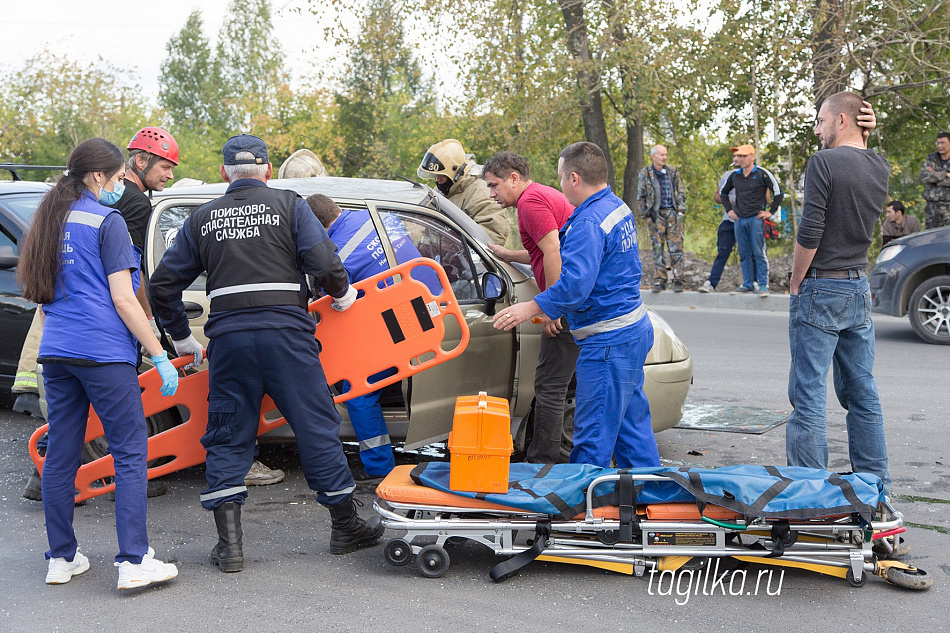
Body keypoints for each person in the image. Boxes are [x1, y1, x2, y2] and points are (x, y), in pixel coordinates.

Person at [149, 134, 383, 573]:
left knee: (228, 433)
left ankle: (230, 547)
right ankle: (345, 527)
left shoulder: (202, 218)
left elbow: (162, 286)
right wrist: (344, 295)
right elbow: (325, 264)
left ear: (224, 174)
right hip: (288, 338)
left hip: (229, 343)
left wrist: (182, 340)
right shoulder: (291, 206)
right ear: (268, 171)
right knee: (316, 426)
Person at [16, 137, 179, 590]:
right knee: (129, 451)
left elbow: (45, 297)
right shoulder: (107, 222)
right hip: (104, 353)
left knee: (62, 454)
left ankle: (61, 558)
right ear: (97, 177)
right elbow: (125, 300)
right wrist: (161, 356)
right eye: (117, 177)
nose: (120, 184)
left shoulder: (50, 219)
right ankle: (133, 560)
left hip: (57, 352)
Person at [492, 142, 659, 469]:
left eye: (559, 177)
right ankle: (647, 499)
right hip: (633, 332)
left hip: (607, 343)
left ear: (573, 178)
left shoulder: (588, 223)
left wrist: (532, 308)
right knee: (630, 430)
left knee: (592, 438)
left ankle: (587, 512)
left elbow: (575, 286)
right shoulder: (615, 207)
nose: (558, 184)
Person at [786, 91, 891, 491]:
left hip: (821, 286)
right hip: (857, 285)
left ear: (842, 121)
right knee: (862, 391)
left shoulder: (823, 162)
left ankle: (810, 495)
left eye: (821, 121)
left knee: (809, 395)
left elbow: (810, 230)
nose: (817, 130)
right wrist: (869, 135)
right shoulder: (878, 165)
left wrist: (796, 282)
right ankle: (876, 490)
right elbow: (864, 157)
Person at [306, 193, 437, 483]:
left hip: (400, 320)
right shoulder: (375, 215)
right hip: (431, 300)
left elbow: (334, 304)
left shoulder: (337, 254)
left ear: (316, 225)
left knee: (359, 391)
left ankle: (379, 466)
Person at [482, 151, 578, 464]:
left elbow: (553, 252)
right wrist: (510, 255)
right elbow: (545, 248)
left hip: (565, 304)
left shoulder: (530, 203)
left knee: (549, 386)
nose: (491, 193)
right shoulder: (540, 196)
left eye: (494, 185)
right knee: (562, 383)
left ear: (514, 178)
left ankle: (542, 463)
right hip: (573, 299)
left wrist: (551, 309)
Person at [719, 144, 783, 297]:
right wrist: (729, 210)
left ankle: (762, 285)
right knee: (744, 252)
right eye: (739, 156)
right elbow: (723, 193)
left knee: (759, 253)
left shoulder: (762, 173)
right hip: (740, 220)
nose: (740, 159)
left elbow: (778, 192)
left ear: (752, 156)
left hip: (756, 219)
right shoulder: (735, 175)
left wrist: (770, 212)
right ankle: (747, 283)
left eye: (744, 156)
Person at [417, 139, 510, 245]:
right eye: (435, 176)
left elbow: (493, 236)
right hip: (439, 260)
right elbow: (429, 229)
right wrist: (423, 248)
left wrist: (457, 252)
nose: (437, 180)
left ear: (457, 171)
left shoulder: (481, 193)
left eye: (441, 175)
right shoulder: (439, 192)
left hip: (466, 260)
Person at [636, 145, 687, 293]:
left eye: (665, 154)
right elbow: (641, 196)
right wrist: (646, 216)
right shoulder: (645, 173)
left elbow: (681, 192)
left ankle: (678, 280)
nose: (664, 157)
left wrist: (681, 213)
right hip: (655, 216)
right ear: (653, 156)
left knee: (676, 247)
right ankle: (660, 280)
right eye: (661, 155)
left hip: (672, 214)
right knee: (657, 249)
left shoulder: (672, 171)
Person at [699, 152, 749, 293]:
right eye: (734, 156)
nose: (736, 159)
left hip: (746, 221)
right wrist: (729, 203)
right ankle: (711, 283)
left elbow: (765, 197)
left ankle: (753, 283)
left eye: (740, 156)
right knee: (723, 252)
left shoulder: (754, 175)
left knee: (748, 253)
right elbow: (717, 195)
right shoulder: (728, 175)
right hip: (729, 221)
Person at [919, 131, 950, 229]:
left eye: (943, 143)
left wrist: (934, 175)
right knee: (932, 238)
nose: (940, 146)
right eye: (938, 143)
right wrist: (945, 174)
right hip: (932, 208)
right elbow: (924, 177)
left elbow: (930, 177)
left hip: (948, 207)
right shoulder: (931, 159)